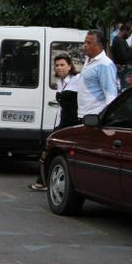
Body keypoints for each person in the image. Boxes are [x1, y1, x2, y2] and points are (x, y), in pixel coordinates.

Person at [28, 53, 81, 191]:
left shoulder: (77, 80)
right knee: (49, 149)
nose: (59, 68)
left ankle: (43, 181)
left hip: (72, 123)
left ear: (70, 66)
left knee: (51, 149)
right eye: (56, 65)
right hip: (62, 122)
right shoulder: (60, 82)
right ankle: (43, 181)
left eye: (62, 65)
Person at [78, 29, 118, 117]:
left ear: (99, 45)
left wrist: (106, 118)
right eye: (85, 42)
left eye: (89, 43)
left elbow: (110, 94)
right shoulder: (88, 59)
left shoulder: (105, 64)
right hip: (84, 115)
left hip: (95, 116)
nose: (85, 45)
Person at [111, 24, 132, 90]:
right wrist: (131, 50)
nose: (129, 35)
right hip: (123, 71)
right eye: (129, 32)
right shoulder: (118, 41)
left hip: (123, 71)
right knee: (125, 89)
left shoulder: (122, 41)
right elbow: (124, 58)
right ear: (124, 31)